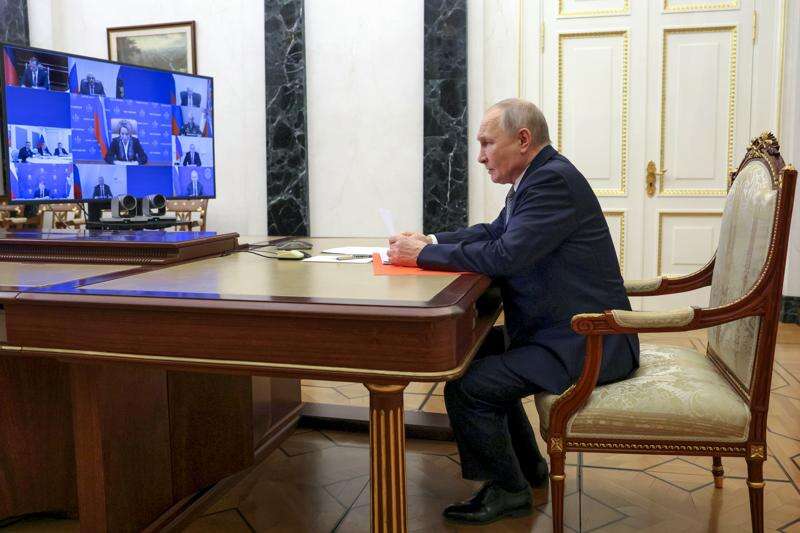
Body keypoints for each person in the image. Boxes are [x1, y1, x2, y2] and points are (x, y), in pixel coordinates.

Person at [388, 99, 639, 525]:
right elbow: (495, 232)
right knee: (478, 353)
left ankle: (508, 490)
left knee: (470, 387)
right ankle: (529, 468)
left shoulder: (551, 181)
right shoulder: (539, 176)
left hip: (587, 340)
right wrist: (431, 240)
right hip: (564, 330)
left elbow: (506, 255)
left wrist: (423, 256)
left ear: (523, 139)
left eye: (487, 143)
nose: (480, 156)